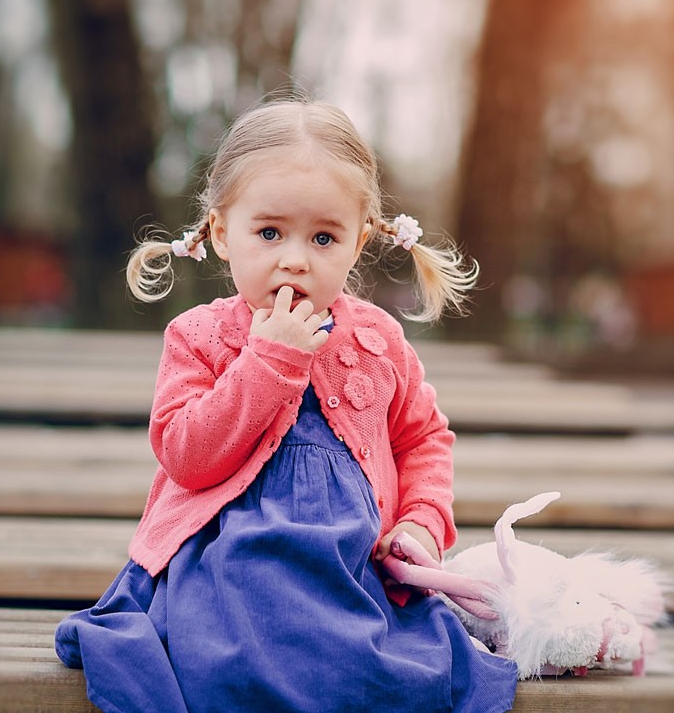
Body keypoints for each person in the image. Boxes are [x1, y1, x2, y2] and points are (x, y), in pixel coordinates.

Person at [54, 99, 519, 712]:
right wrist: (267, 362)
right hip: (224, 568)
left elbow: (422, 440)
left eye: (324, 237)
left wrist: (420, 522)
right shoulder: (199, 337)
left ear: (358, 243)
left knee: (396, 670)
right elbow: (186, 455)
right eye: (269, 232)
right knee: (228, 659)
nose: (295, 259)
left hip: (351, 574)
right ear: (223, 234)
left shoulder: (378, 341)